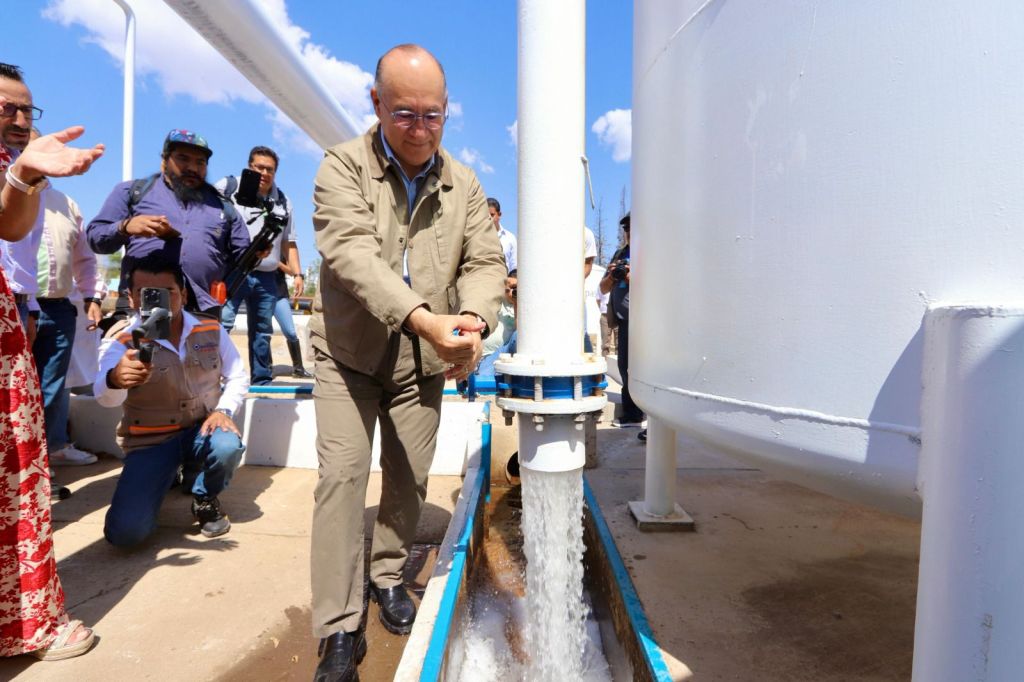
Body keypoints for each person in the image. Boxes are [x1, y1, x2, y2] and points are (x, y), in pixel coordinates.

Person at [309, 44, 505, 682]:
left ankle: (387, 575)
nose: (420, 130)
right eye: (404, 114)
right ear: (375, 105)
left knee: (408, 478)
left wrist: (473, 321)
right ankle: (339, 626)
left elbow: (484, 263)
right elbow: (353, 257)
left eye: (433, 116)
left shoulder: (465, 183)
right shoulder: (340, 168)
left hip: (419, 363)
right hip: (348, 354)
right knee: (341, 479)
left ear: (447, 113)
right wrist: (426, 318)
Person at [0, 61, 103, 661]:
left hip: (18, 310)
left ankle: (23, 619)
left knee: (18, 468)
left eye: (25, 110)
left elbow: (10, 228)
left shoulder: (30, 183)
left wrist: (22, 175)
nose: (17, 119)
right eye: (5, 108)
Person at [94, 258, 248, 545]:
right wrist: (116, 379)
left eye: (168, 291)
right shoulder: (121, 340)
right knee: (126, 534)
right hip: (151, 442)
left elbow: (238, 375)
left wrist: (224, 411)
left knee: (227, 445)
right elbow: (103, 397)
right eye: (144, 293)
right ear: (130, 297)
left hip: (200, 430)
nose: (157, 300)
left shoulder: (210, 329)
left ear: (184, 295)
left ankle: (204, 496)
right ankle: (164, 473)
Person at [86, 129, 251, 318]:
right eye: (183, 158)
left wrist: (255, 254)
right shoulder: (133, 192)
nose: (193, 168)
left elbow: (243, 257)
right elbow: (95, 237)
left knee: (205, 348)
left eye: (200, 162)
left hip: (202, 308)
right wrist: (125, 226)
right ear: (164, 160)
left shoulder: (223, 206)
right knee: (143, 347)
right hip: (143, 302)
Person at [29, 130, 105, 466]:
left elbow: (84, 258)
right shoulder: (7, 193)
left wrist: (92, 297)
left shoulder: (67, 203)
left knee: (54, 383)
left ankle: (53, 448)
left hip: (59, 307)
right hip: (15, 307)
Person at [218, 145, 311, 383]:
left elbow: (289, 242)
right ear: (250, 166)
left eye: (270, 169)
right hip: (233, 272)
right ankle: (216, 375)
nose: (264, 173)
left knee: (262, 331)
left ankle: (260, 379)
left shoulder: (283, 201)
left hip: (267, 276)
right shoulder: (227, 188)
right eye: (259, 167)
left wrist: (298, 274)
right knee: (223, 324)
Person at [600, 212, 645, 429]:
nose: (628, 232)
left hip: (644, 322)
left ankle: (636, 414)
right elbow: (603, 287)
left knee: (639, 367)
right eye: (626, 229)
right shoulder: (619, 253)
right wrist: (612, 275)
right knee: (624, 365)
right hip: (623, 321)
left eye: (632, 228)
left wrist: (631, 276)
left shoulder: (649, 252)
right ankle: (632, 412)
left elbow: (658, 282)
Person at [487, 197, 516, 272]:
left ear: (499, 215)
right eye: (486, 215)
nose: (489, 218)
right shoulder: (476, 237)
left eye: (492, 215)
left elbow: (515, 266)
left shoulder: (510, 238)